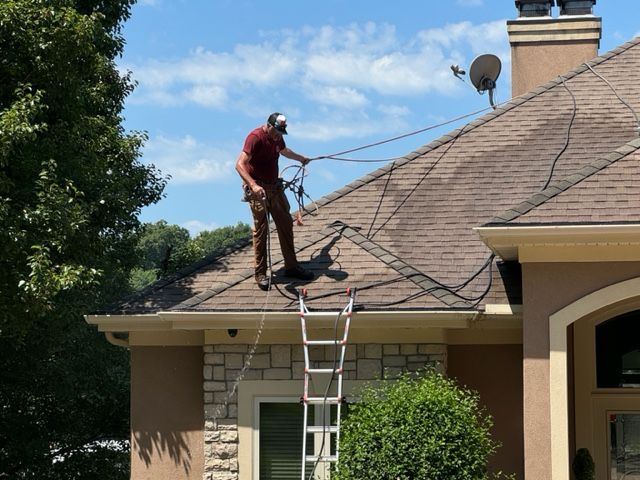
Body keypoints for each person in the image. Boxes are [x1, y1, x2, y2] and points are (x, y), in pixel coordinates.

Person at [235, 112, 314, 290]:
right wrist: (253, 185)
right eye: (276, 131)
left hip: (274, 188)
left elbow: (284, 151)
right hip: (259, 191)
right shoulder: (255, 138)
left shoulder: (277, 138)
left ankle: (291, 267)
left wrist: (301, 158)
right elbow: (239, 164)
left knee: (286, 222)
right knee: (261, 230)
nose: (278, 135)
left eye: (281, 132)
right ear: (269, 126)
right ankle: (261, 273)